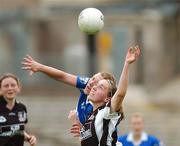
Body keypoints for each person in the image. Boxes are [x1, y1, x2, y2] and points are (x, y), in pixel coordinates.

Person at [69, 46, 140, 146]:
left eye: (100, 87)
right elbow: (84, 143)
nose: (94, 88)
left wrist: (127, 64)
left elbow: (120, 94)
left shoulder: (106, 112)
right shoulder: (89, 116)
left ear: (108, 98)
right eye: (96, 85)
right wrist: (77, 123)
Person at [21, 55, 116, 124]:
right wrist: (40, 67)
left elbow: (89, 137)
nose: (91, 83)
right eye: (92, 78)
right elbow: (63, 76)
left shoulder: (99, 109)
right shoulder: (88, 84)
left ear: (107, 96)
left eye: (98, 84)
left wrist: (75, 122)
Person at [0, 73, 36, 146]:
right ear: (0, 89)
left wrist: (29, 138)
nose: (10, 88)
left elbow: (18, 131)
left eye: (13, 85)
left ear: (18, 88)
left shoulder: (22, 108)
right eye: (6, 86)